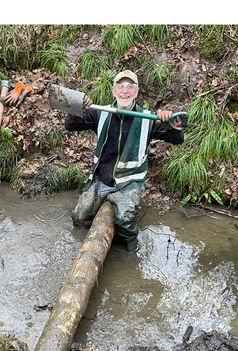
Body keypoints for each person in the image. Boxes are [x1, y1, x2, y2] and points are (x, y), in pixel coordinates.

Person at [64, 69, 185, 253]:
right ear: (114, 91)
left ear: (136, 93)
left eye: (130, 86)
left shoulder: (148, 119)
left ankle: (131, 251)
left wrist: (170, 124)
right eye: (121, 86)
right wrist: (77, 109)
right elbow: (70, 125)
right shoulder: (101, 113)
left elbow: (177, 139)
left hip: (129, 183)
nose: (125, 90)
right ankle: (88, 243)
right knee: (79, 217)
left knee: (125, 221)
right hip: (102, 180)